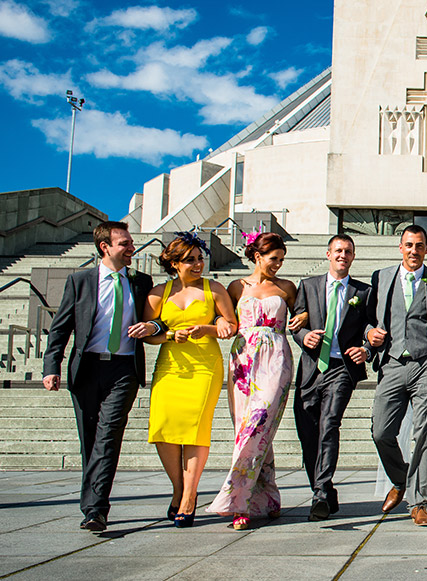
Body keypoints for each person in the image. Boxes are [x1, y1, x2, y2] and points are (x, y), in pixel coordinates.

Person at [42, 221, 156, 532]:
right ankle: (92, 503)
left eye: (131, 242)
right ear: (105, 247)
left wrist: (153, 328)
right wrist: (51, 367)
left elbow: (159, 319)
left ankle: (95, 510)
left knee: (108, 438)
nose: (131, 247)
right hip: (87, 369)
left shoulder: (141, 282)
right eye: (125, 243)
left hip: (124, 369)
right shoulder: (81, 280)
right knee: (89, 440)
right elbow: (61, 327)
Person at [142, 232, 237, 526]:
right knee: (163, 428)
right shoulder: (160, 292)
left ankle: (189, 496)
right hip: (170, 365)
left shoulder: (215, 288)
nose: (197, 265)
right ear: (174, 263)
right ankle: (178, 487)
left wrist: (210, 327)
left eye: (200, 259)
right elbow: (150, 335)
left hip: (204, 366)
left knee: (196, 431)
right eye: (190, 260)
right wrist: (171, 334)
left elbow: (231, 325)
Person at [207, 232, 299, 530]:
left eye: (282, 260)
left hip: (276, 359)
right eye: (274, 259)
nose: (278, 265)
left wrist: (305, 315)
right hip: (243, 361)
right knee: (248, 430)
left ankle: (237, 501)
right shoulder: (236, 287)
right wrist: (220, 321)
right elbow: (224, 320)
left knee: (258, 425)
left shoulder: (286, 287)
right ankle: (268, 497)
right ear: (257, 256)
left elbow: (303, 317)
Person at [364, 225, 427, 526]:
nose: (413, 250)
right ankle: (401, 479)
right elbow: (366, 317)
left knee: (425, 433)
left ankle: (419, 503)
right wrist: (369, 332)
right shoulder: (381, 277)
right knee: (381, 432)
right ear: (399, 247)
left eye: (419, 245)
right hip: (391, 363)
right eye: (408, 245)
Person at [291, 234, 370, 521]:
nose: (343, 255)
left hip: (341, 368)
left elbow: (370, 328)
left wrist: (366, 348)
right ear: (328, 254)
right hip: (311, 368)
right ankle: (325, 488)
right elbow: (296, 323)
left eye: (348, 251)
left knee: (329, 424)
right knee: (308, 432)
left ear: (353, 257)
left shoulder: (363, 292)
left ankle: (320, 494)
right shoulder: (308, 286)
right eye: (338, 250)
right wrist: (303, 336)